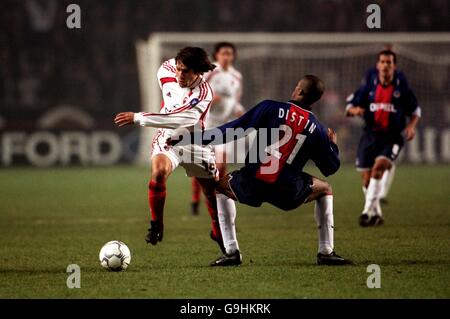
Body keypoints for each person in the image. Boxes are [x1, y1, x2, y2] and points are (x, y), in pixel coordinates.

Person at [169, 75, 352, 266]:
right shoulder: (318, 129)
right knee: (325, 189)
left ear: (300, 91)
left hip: (252, 183)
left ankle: (231, 251)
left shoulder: (270, 108)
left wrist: (191, 138)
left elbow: (231, 130)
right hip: (288, 190)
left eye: (297, 85)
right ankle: (326, 251)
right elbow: (331, 167)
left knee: (219, 188)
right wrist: (333, 146)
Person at [114, 47, 233, 254]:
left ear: (198, 72)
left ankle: (217, 231)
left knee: (212, 191)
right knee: (158, 172)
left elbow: (179, 119)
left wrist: (138, 117)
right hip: (169, 140)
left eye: (185, 71)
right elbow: (169, 113)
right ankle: (156, 224)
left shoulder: (204, 93)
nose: (179, 75)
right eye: (178, 69)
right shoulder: (166, 69)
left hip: (196, 144)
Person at [345, 50, 421, 226]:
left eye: (389, 62)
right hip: (370, 135)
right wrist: (354, 110)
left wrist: (410, 126)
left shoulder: (402, 89)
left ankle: (366, 212)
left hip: (393, 137)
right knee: (366, 178)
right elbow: (350, 105)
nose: (385, 65)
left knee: (379, 169)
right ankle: (377, 214)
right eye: (383, 62)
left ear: (394, 66)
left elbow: (415, 111)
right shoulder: (368, 88)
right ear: (378, 65)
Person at [190, 42, 244, 215]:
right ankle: (195, 199)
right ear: (217, 55)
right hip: (206, 123)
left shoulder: (237, 76)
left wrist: (239, 111)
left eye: (229, 53)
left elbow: (235, 99)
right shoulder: (210, 71)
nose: (227, 56)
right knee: (201, 164)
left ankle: (218, 199)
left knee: (220, 165)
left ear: (233, 56)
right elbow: (196, 92)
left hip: (224, 126)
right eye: (223, 53)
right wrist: (210, 100)